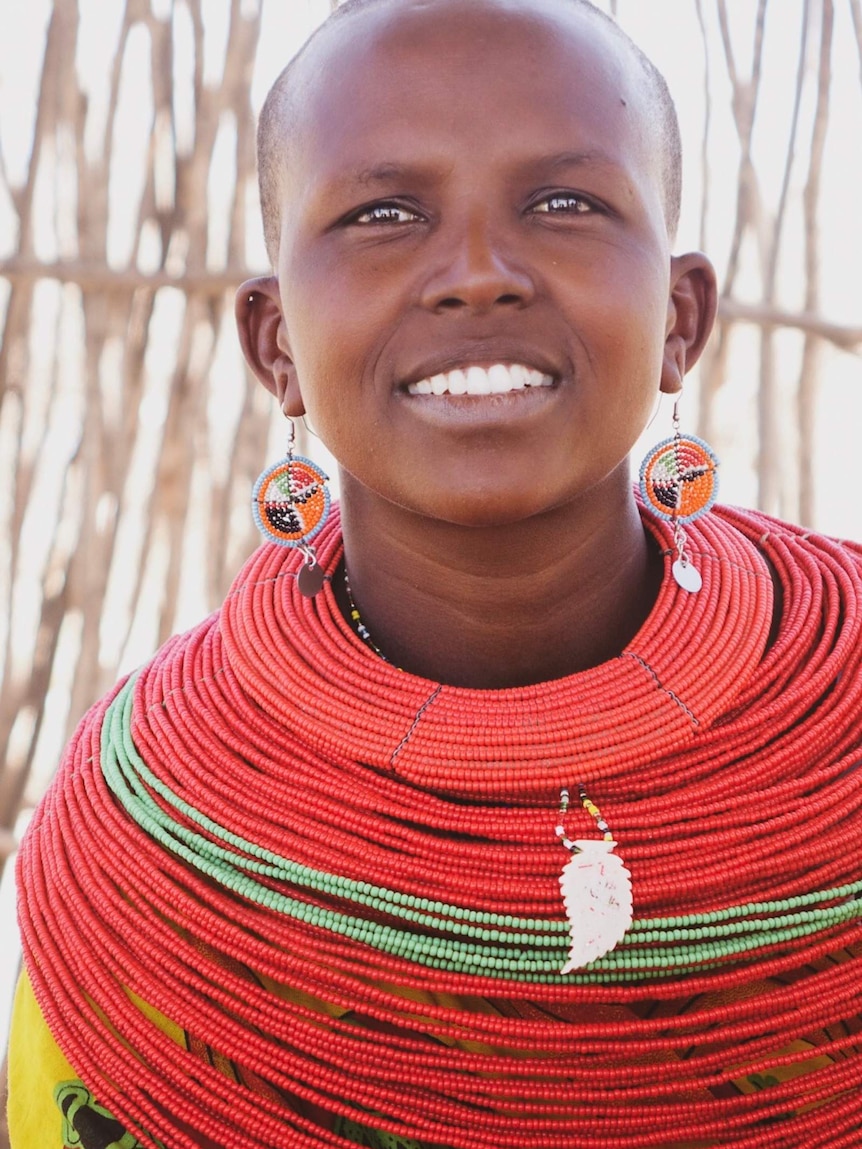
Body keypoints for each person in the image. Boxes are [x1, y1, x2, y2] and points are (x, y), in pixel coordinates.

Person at [8, 0, 862, 1145]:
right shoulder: (148, 847)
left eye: (563, 204)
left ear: (681, 316)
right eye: (381, 213)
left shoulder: (837, 727)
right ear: (275, 345)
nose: (475, 276)